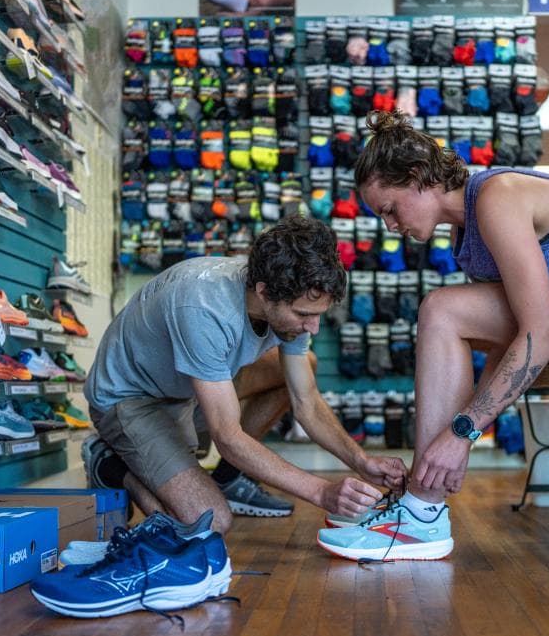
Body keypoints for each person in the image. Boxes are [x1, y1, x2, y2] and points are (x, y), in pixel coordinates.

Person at [316, 111, 549, 561]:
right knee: (445, 311)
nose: (390, 225)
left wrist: (462, 433)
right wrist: (460, 439)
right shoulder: (466, 235)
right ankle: (422, 507)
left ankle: (420, 513)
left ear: (417, 177)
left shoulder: (496, 197)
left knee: (442, 309)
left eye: (389, 209)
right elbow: (508, 338)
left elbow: (541, 334)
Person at [84, 217, 408, 534]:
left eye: (318, 315)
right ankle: (110, 464)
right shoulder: (205, 308)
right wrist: (321, 492)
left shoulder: (289, 298)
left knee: (303, 364)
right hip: (131, 398)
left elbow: (306, 401)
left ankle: (228, 477)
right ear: (264, 293)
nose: (313, 327)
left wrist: (360, 460)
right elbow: (227, 436)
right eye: (303, 315)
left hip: (189, 384)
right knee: (207, 522)